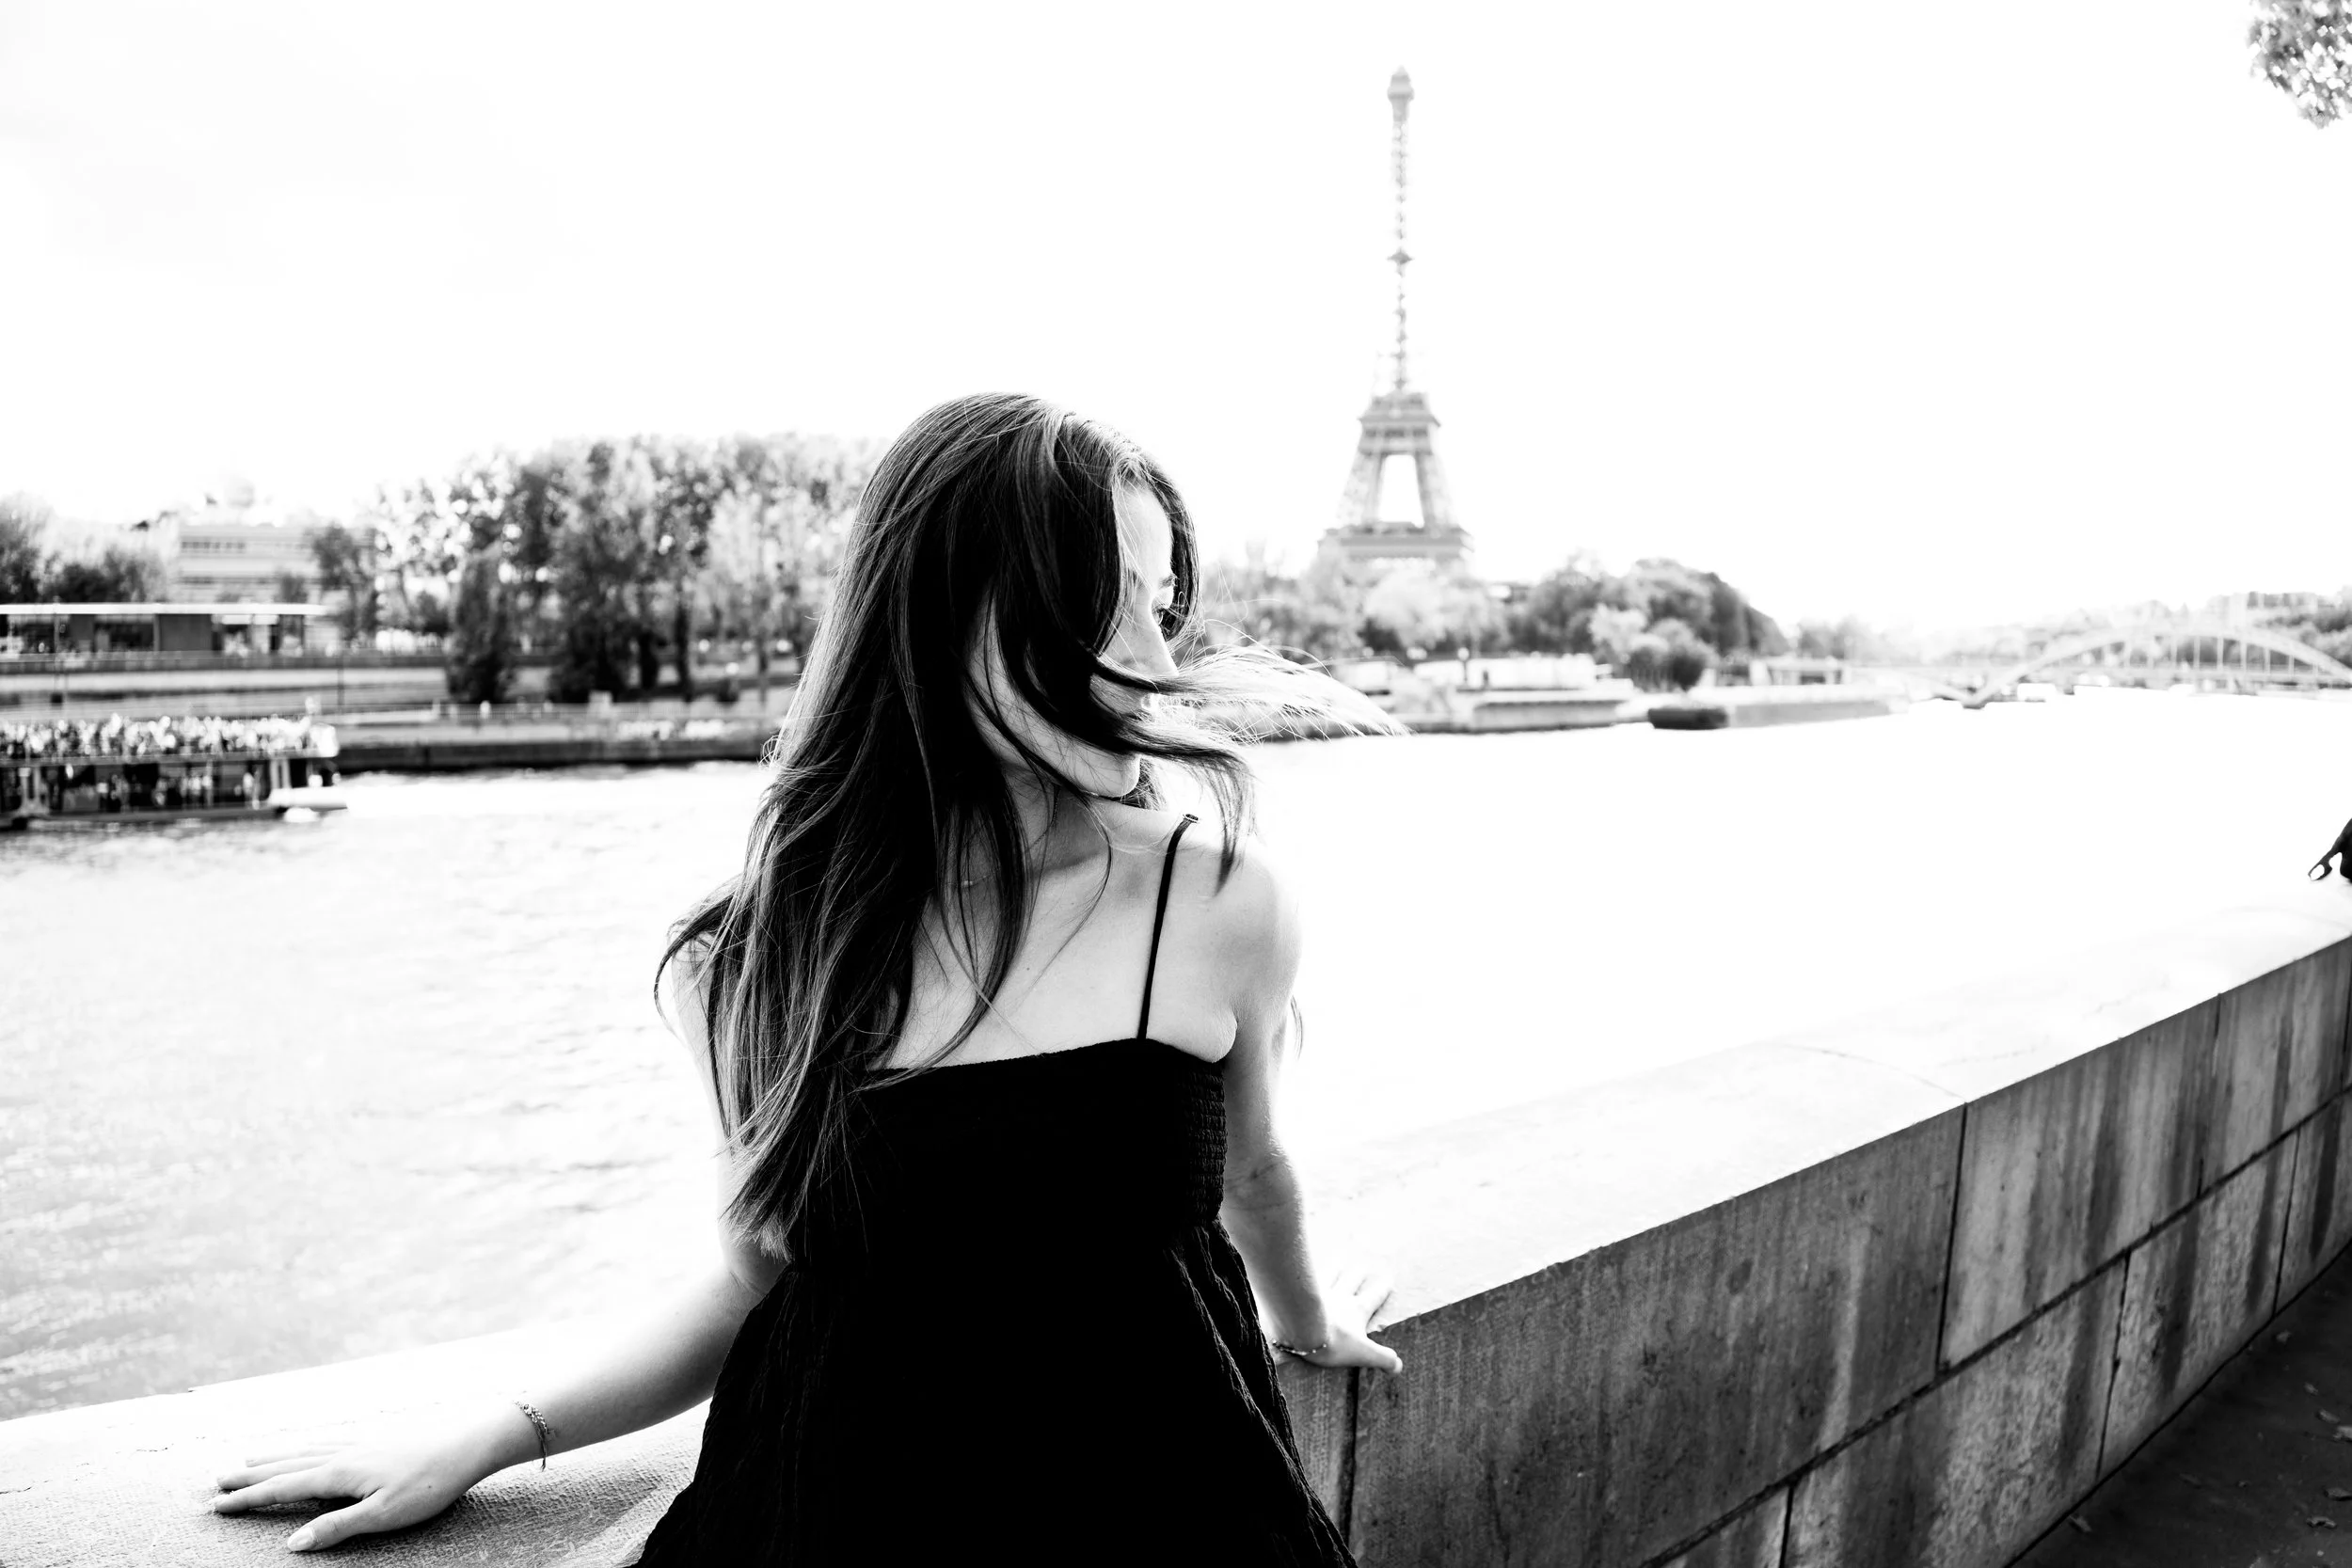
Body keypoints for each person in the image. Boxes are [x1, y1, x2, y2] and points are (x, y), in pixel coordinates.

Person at [210, 393, 1404, 1562]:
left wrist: (1302, 1317)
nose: (1154, 663)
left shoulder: (1219, 898)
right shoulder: (742, 961)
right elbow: (752, 1277)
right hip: (833, 1518)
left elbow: (1253, 1170)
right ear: (940, 618)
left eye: (1160, 608)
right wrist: (485, 1433)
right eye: (1104, 608)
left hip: (1175, 1519)